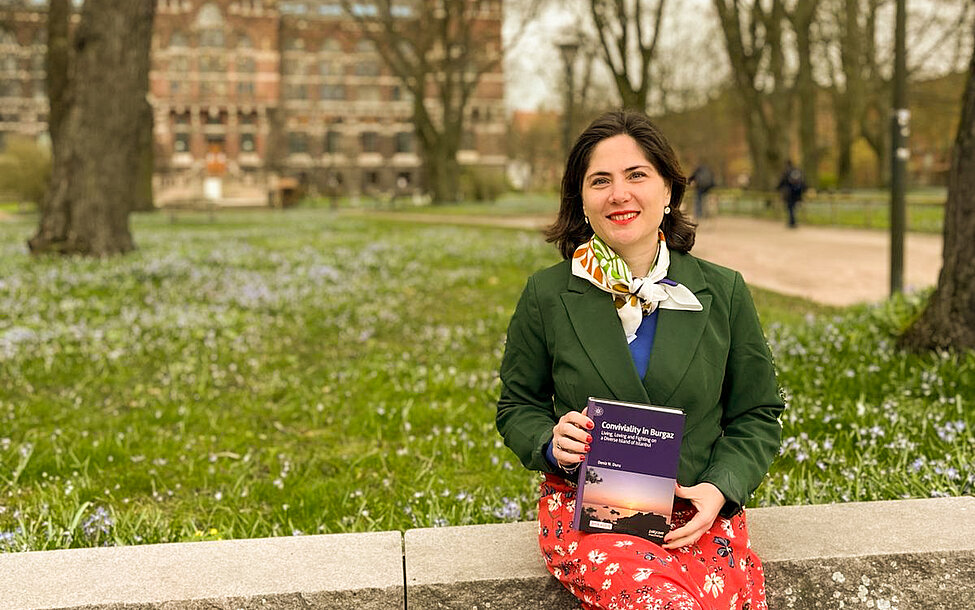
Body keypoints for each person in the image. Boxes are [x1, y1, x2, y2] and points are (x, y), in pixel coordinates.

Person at [496, 109, 784, 610]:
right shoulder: (547, 294)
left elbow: (756, 414)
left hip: (698, 512)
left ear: (668, 190)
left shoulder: (724, 291)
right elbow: (517, 405)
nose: (619, 194)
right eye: (600, 180)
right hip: (592, 515)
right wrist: (548, 442)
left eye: (637, 175)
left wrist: (720, 488)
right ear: (581, 200)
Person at [776, 160, 806, 228]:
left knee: (790, 207)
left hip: (789, 193)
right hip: (797, 193)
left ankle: (792, 221)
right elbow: (803, 181)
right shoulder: (797, 171)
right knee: (793, 207)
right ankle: (793, 221)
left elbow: (782, 181)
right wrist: (804, 189)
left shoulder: (786, 172)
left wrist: (777, 188)